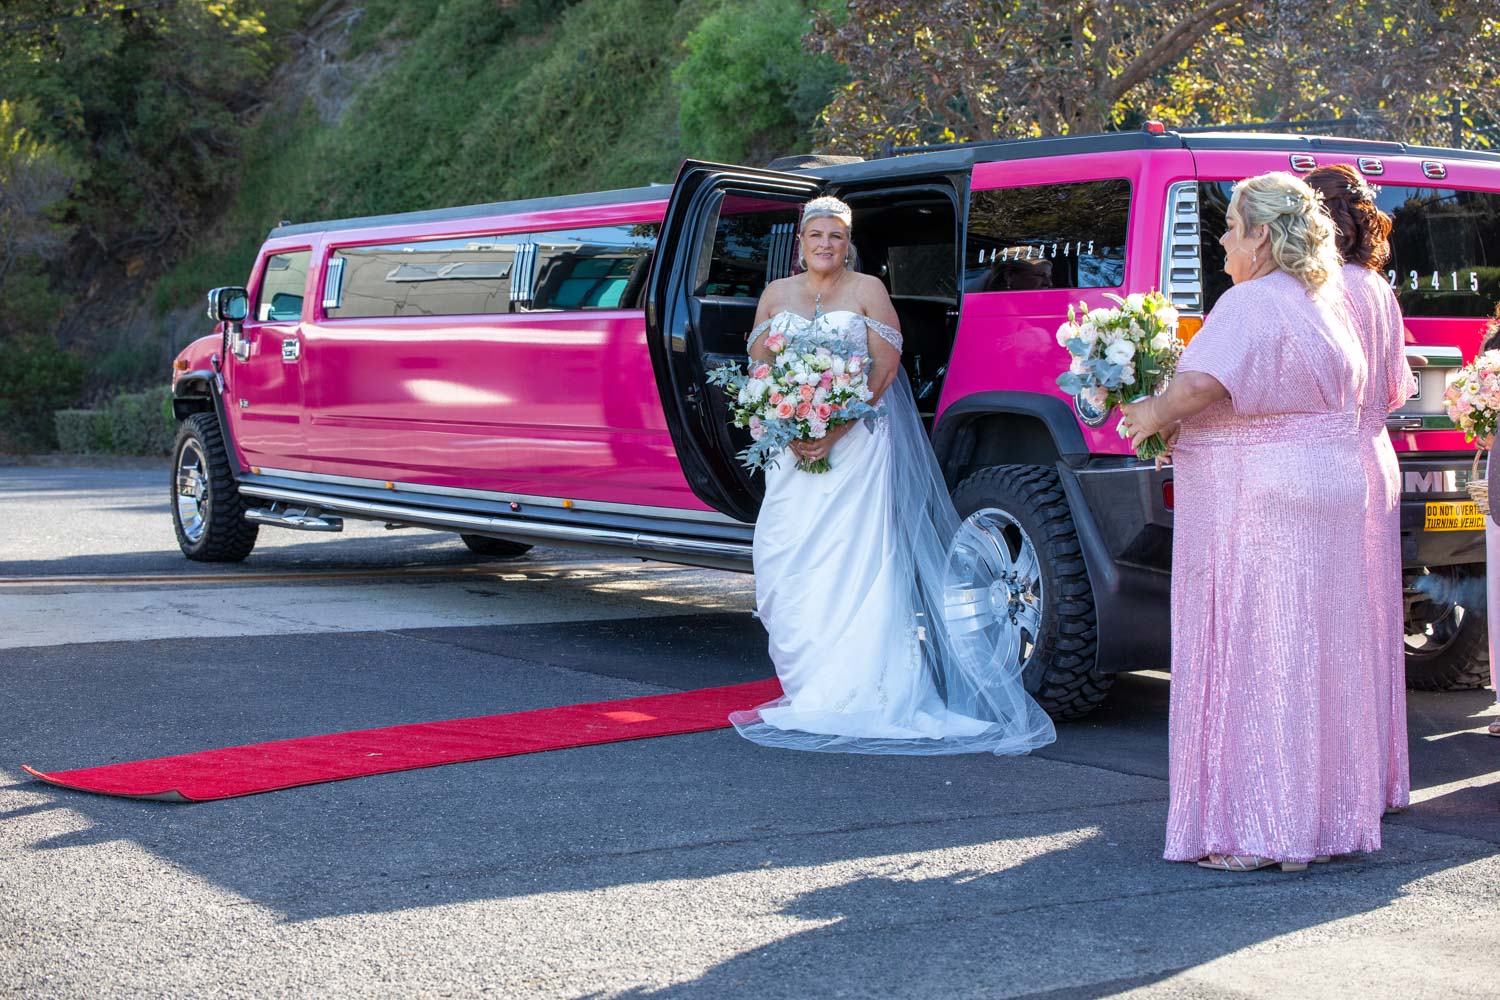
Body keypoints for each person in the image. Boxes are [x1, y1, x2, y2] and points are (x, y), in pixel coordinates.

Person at [1119, 172, 1382, 872]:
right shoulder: (1324, 302)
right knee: (1315, 656)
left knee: (1258, 655)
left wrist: (1147, 414)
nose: (1224, 240)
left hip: (1260, 503)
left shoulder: (1248, 302)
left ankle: (1261, 830)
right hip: (1327, 489)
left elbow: (1202, 385)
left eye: (1232, 227)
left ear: (1262, 235)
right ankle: (1316, 825)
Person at [729, 195, 1056, 755]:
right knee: (783, 552)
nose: (826, 245)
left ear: (847, 241)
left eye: (835, 236)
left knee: (852, 556)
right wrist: (788, 417)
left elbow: (883, 368)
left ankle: (858, 686)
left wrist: (832, 428)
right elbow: (761, 367)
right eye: (816, 236)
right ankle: (808, 684)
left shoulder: (868, 291)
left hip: (856, 446)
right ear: (800, 243)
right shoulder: (775, 295)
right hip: (790, 447)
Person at [1305, 164, 1416, 806]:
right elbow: (1397, 389)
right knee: (1373, 622)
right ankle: (1375, 778)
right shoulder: (1377, 286)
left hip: (1332, 455)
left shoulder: (1319, 290)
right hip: (1377, 455)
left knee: (1329, 620)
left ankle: (1335, 783)